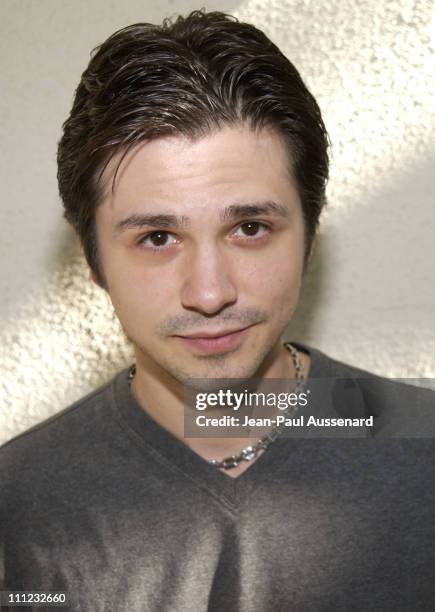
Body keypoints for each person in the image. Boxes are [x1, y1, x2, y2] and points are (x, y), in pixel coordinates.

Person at [1, 9, 434, 611]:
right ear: (94, 259)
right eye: (157, 238)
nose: (209, 294)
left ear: (309, 235)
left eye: (250, 228)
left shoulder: (425, 447)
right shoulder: (17, 505)